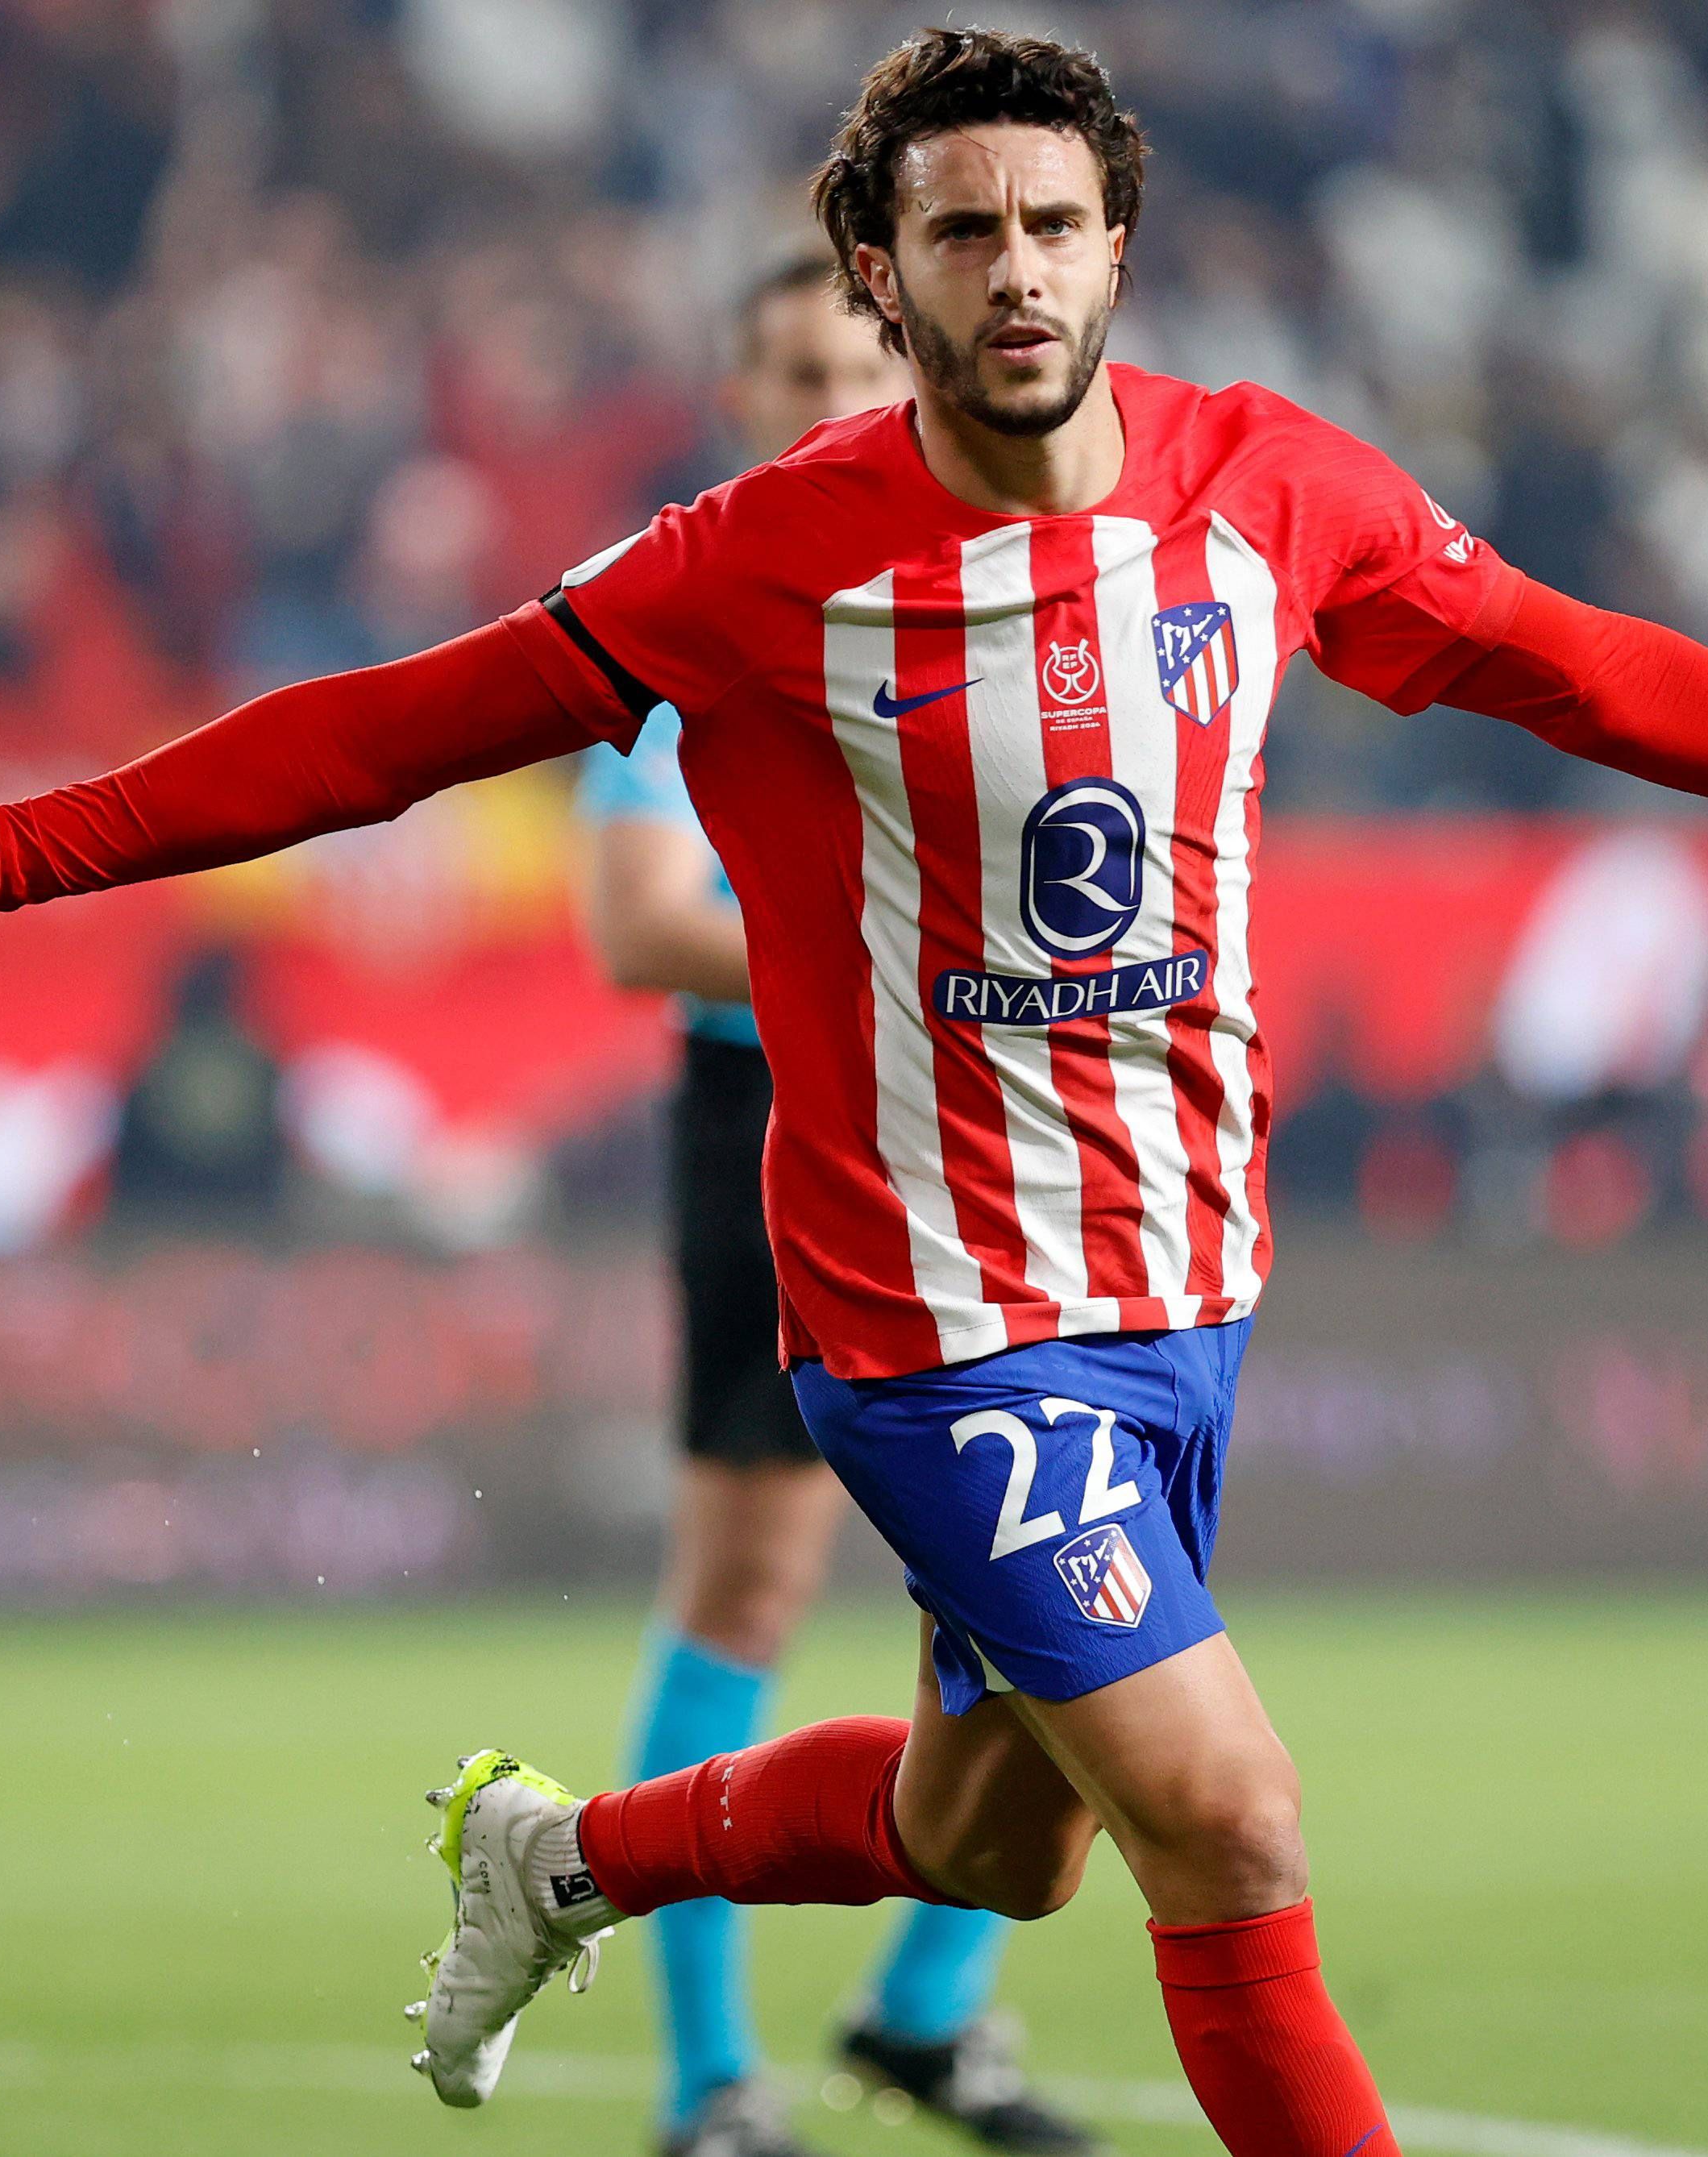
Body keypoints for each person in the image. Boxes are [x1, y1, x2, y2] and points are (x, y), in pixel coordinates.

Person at [0, 31, 1708, 2154]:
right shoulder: (763, 556)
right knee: (1225, 1816)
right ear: (877, 278)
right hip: (931, 1322)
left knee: (983, 1847)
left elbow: (1582, 668)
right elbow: (391, 729)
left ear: (1116, 245)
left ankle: (561, 1855)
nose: (1012, 271)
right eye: (958, 235)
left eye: (1050, 224)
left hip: (1182, 1294)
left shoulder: (1279, 493)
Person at [575, 254, 1093, 2157]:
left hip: (993, 1131)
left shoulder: (988, 584)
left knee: (1064, 1568)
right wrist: (888, 953)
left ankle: (929, 2013)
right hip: (776, 1135)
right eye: (783, 365)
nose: (815, 400)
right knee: (754, 1584)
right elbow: (635, 924)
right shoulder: (693, 620)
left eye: (845, 367)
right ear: (732, 388)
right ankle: (713, 2083)